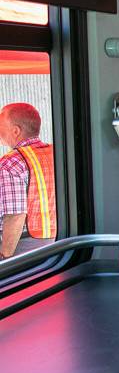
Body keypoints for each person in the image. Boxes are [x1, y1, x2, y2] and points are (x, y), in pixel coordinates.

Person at [0, 103, 55, 258]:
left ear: (16, 131)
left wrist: (5, 256)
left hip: (23, 246)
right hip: (57, 243)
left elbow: (15, 215)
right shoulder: (56, 153)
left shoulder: (10, 163)